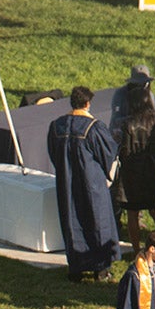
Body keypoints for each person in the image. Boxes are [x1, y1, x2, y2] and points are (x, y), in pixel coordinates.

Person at [47, 85, 119, 281]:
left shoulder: (57, 126)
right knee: (97, 222)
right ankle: (101, 268)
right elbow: (109, 154)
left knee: (72, 221)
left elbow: (54, 154)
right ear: (87, 103)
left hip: (67, 183)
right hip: (92, 184)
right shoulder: (93, 128)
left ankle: (76, 268)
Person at [109, 67, 155, 248]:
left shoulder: (127, 124)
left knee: (132, 213)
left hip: (131, 173)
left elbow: (122, 148)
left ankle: (136, 250)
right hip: (152, 169)